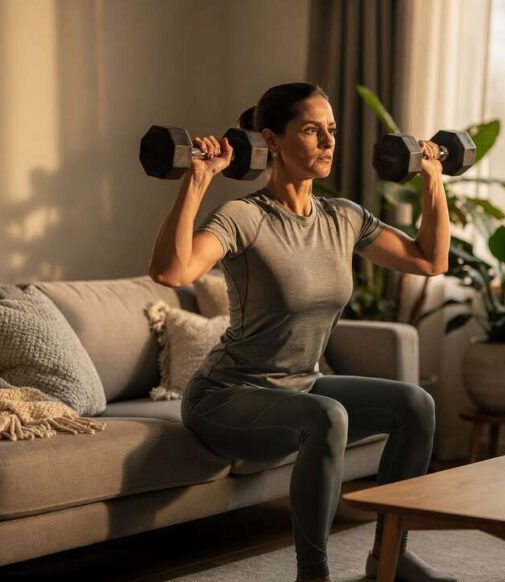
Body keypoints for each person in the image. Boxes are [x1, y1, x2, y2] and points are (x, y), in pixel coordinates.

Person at [148, 82, 454, 582]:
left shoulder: (344, 217)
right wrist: (199, 178)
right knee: (327, 416)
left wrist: (433, 178)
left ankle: (391, 559)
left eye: (331, 131)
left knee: (414, 404)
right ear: (271, 140)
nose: (328, 143)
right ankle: (313, 574)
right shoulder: (243, 217)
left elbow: (430, 259)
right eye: (312, 131)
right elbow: (172, 272)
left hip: (301, 388)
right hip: (227, 398)